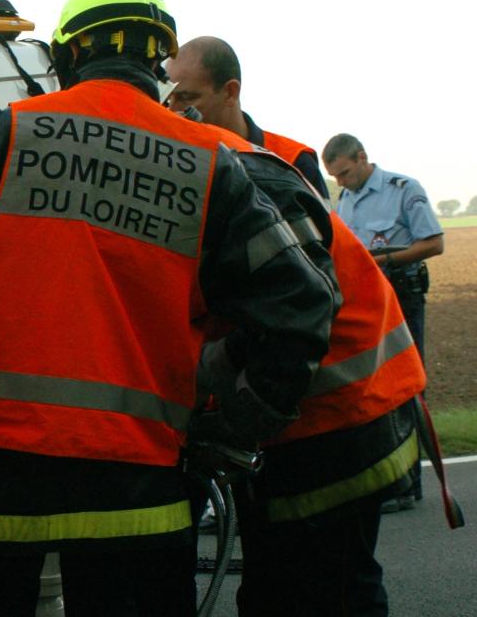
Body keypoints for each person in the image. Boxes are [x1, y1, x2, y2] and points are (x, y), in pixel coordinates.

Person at [0, 0, 336, 616]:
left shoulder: (13, 132)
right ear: (157, 59)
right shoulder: (210, 161)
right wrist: (237, 425)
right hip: (136, 488)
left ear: (70, 52)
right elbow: (304, 304)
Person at [170, 46, 428, 614]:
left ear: (229, 91)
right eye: (171, 100)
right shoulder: (216, 160)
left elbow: (300, 304)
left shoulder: (262, 168)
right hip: (308, 408)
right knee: (276, 586)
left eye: (187, 99)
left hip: (342, 405)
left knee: (338, 587)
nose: (177, 112)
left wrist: (235, 407)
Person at [325, 133, 443, 512]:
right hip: (366, 302)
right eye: (335, 177)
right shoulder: (346, 201)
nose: (340, 182)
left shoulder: (404, 188)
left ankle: (409, 484)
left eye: (344, 172)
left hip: (402, 293)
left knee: (404, 386)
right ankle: (386, 478)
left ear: (361, 157)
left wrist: (386, 262)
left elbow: (434, 243)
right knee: (372, 389)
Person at [166, 36, 329, 197]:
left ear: (230, 92)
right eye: (167, 100)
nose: (171, 112)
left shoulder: (294, 161)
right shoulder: (170, 158)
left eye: (186, 98)